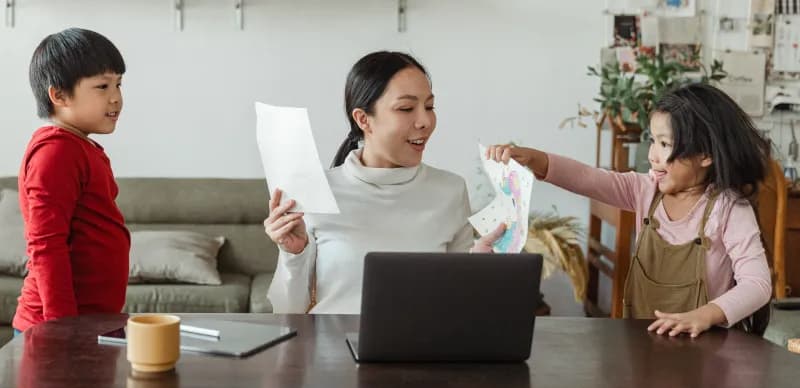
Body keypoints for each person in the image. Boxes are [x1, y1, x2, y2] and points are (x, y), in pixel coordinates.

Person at [487, 83, 772, 337]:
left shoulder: (730, 208)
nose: (652, 155)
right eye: (652, 141)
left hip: (708, 354)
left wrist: (704, 315)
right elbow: (588, 178)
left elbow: (757, 284)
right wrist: (536, 159)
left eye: (665, 144)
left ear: (705, 154)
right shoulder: (644, 191)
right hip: (644, 346)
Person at [265, 51, 504, 314]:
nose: (425, 121)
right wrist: (293, 255)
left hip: (422, 349)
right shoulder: (313, 192)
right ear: (363, 119)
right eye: (406, 108)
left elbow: (460, 302)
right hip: (331, 348)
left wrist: (483, 269)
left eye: (429, 106)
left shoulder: (450, 190)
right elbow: (288, 312)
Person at [13, 28, 130, 334]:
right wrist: (62, 329)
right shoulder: (56, 152)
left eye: (118, 84)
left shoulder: (78, 147)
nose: (116, 97)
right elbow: (46, 245)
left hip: (90, 321)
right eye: (102, 86)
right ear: (59, 95)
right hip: (59, 328)